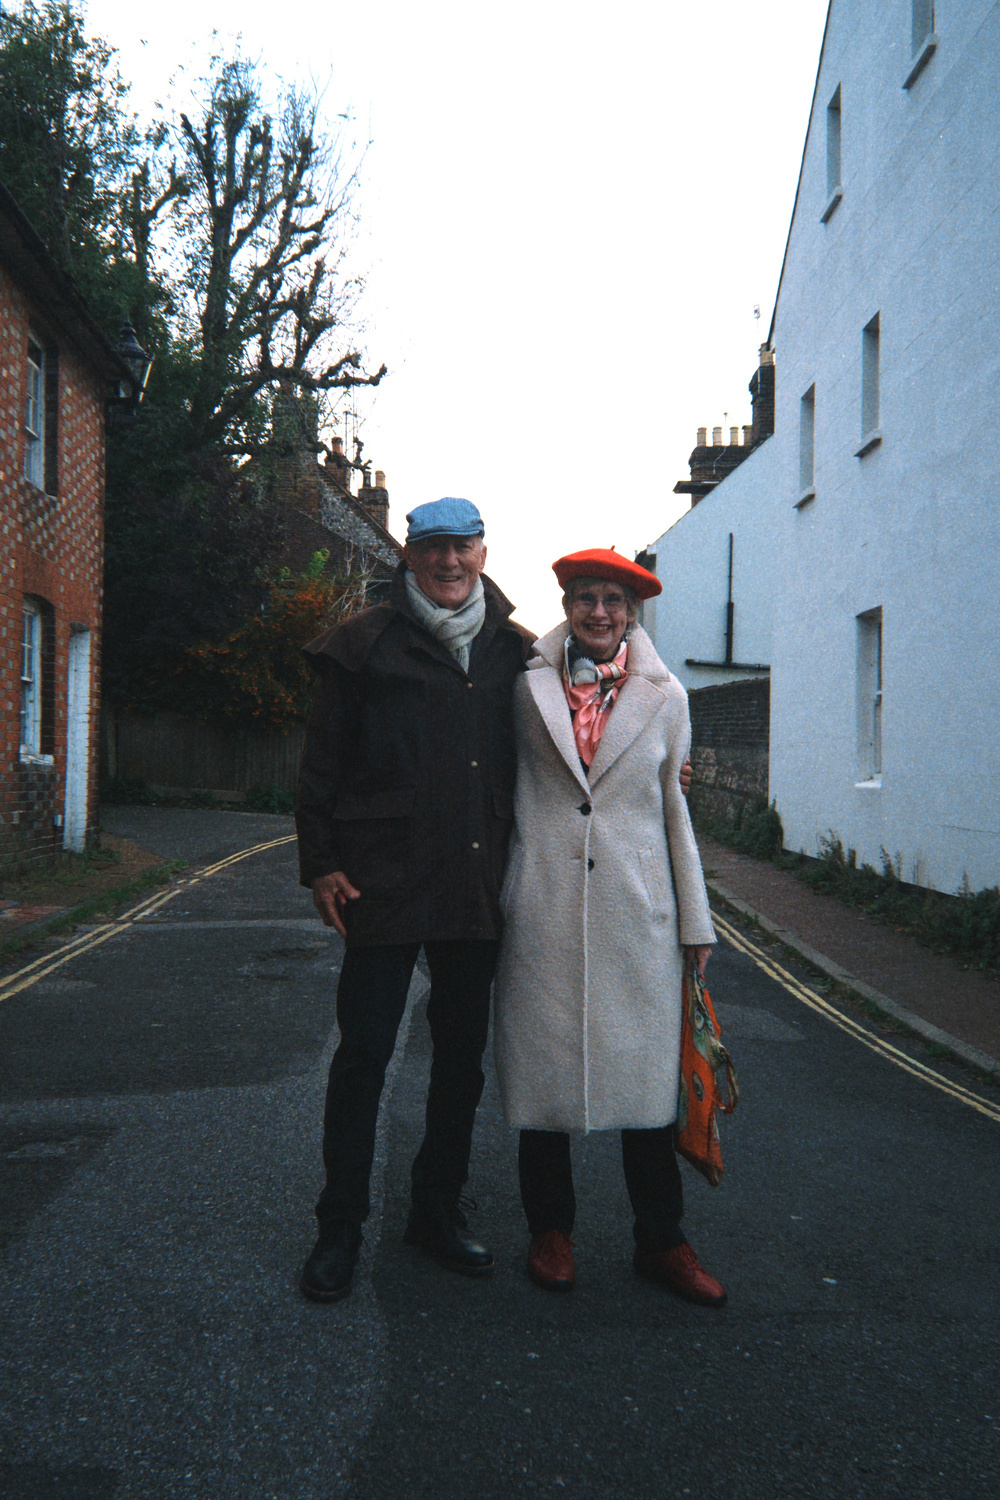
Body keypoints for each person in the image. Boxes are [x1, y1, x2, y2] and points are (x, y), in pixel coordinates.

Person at [295, 497, 534, 1302]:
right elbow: (319, 768)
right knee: (362, 1058)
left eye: (462, 548)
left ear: (482, 551)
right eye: (432, 548)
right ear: (408, 553)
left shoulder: (517, 652)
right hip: (381, 880)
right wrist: (320, 864)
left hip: (476, 879)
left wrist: (665, 758)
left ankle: (435, 1210)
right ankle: (340, 1229)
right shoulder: (359, 646)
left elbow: (594, 708)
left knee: (460, 1061)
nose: (448, 563)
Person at [493, 548, 727, 1306]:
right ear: (566, 604)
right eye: (586, 598)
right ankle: (549, 1231)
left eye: (614, 602)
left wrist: (696, 924)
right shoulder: (523, 689)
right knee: (542, 1079)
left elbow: (674, 810)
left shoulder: (667, 698)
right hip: (544, 903)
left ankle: (661, 1241)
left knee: (648, 1086)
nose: (599, 612)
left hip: (640, 911)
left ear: (632, 612)